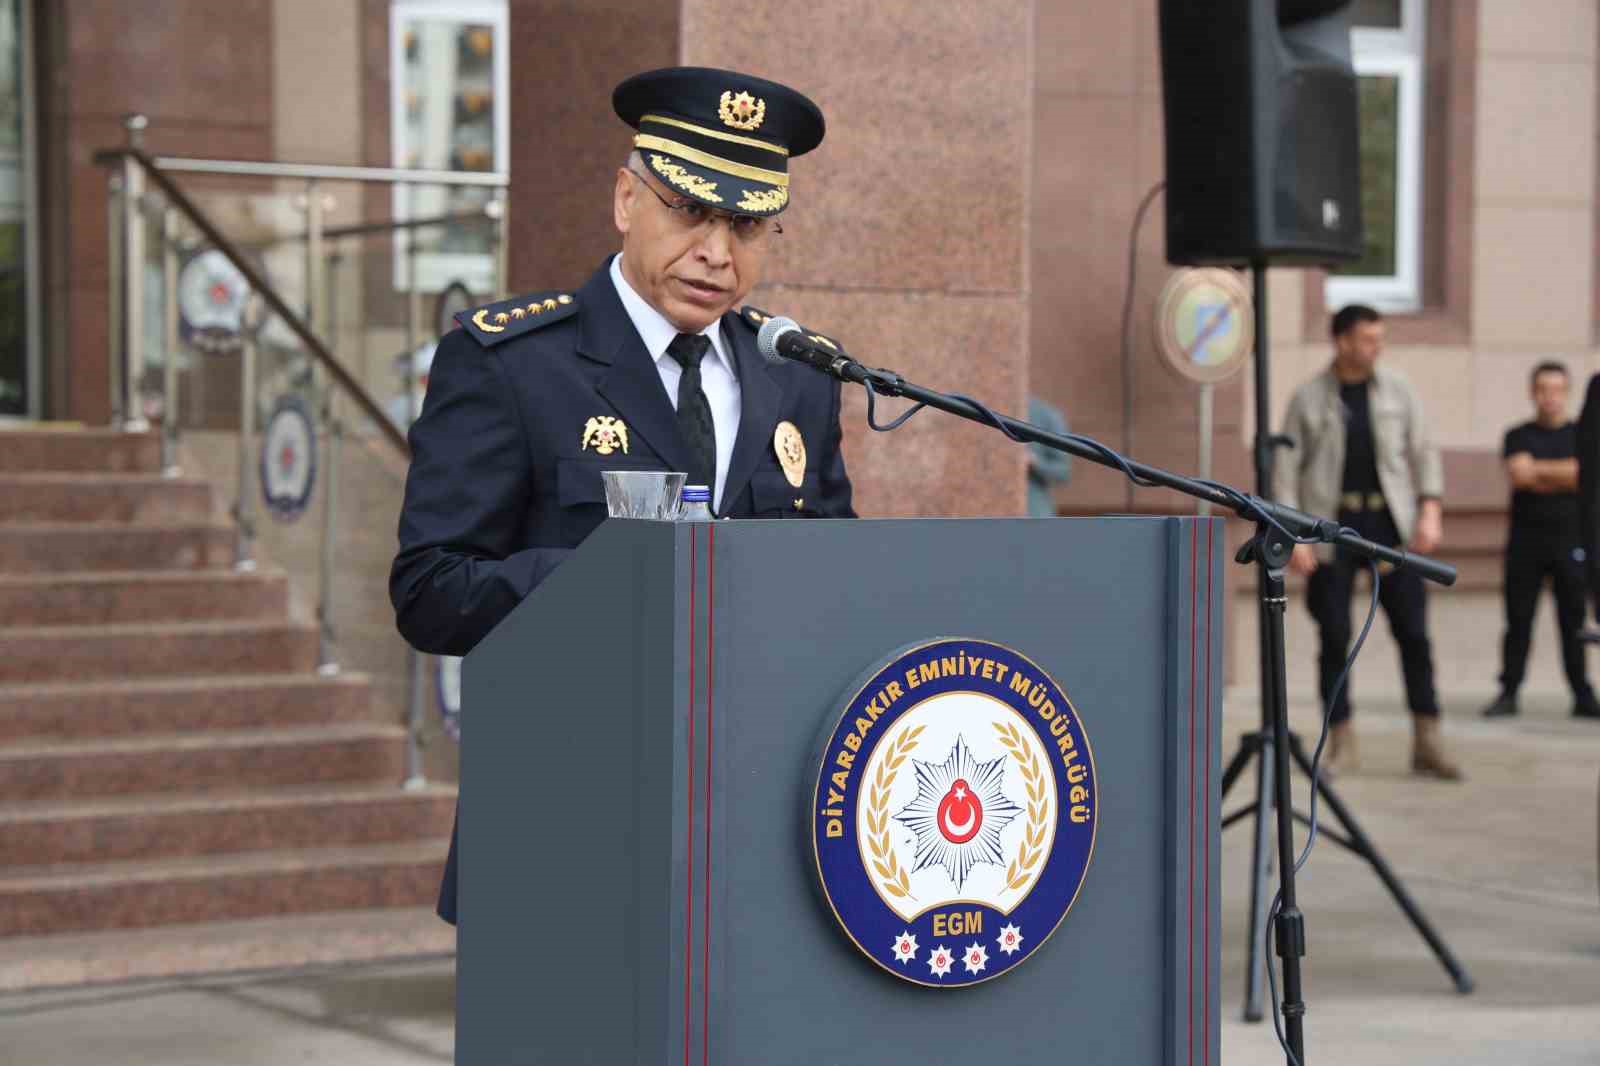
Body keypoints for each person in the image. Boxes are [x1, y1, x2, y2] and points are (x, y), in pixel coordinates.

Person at [390, 67, 856, 926]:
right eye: (689, 212)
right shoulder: (513, 364)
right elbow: (429, 591)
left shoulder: (797, 380)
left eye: (748, 224)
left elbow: (834, 584)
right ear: (625, 200)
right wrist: (613, 585)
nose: (718, 252)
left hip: (763, 834)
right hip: (567, 821)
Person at [1276, 304, 1460, 779]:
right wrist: (1294, 535)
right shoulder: (1308, 398)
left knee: (1414, 634)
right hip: (1329, 529)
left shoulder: (1398, 391)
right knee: (1334, 636)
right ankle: (1341, 743)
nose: (1377, 347)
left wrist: (1431, 508)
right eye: (1367, 339)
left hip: (1390, 527)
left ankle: (1428, 740)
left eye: (1379, 339)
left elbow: (1424, 451)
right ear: (1341, 341)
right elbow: (1285, 473)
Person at [1481, 363, 1599, 720]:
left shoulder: (1580, 432)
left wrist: (1542, 471)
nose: (1550, 396)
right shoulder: (1518, 435)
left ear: (1567, 393)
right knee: (1518, 620)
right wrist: (1565, 472)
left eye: (1557, 389)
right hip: (1525, 543)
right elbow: (1520, 475)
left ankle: (1581, 691)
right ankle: (1509, 690)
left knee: (1573, 621)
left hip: (1571, 540)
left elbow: (1584, 476)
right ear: (1533, 392)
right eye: (1543, 389)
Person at [1026, 396, 1071, 516]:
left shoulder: (1044, 414)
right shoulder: (982, 408)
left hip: (1034, 512)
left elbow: (1063, 471)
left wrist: (1034, 463)